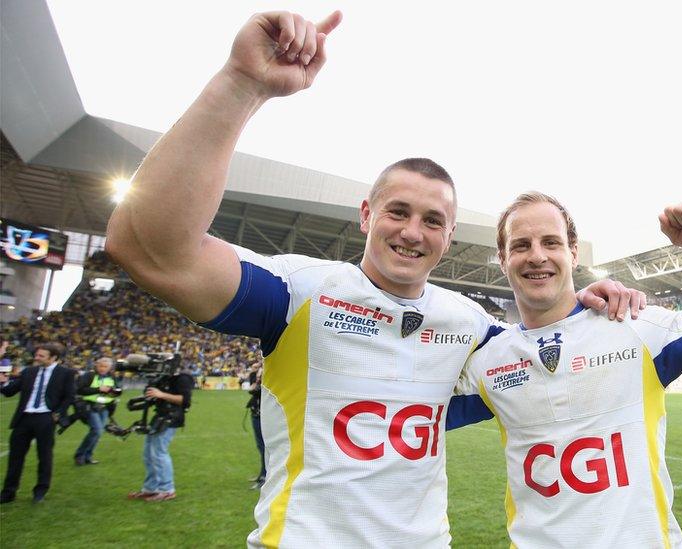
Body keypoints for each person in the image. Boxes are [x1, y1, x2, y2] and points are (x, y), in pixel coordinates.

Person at [104, 9, 642, 546]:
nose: (413, 232)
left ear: (448, 239)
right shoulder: (301, 294)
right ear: (366, 215)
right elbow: (151, 251)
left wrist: (587, 300)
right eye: (397, 212)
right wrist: (241, 83)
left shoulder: (470, 325)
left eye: (432, 221)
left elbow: (549, 352)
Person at [450, 193, 682, 548]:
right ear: (503, 259)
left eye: (550, 242)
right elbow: (402, 411)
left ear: (572, 252)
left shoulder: (637, 327)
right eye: (521, 245)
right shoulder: (489, 362)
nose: (537, 255)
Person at [0, 343, 77, 504]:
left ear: (53, 357)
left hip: (46, 418)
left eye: (41, 355)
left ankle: (40, 491)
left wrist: (58, 414)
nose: (36, 357)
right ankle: (8, 493)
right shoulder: (29, 371)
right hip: (24, 418)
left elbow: (69, 396)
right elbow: (9, 392)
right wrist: (3, 382)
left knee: (44, 456)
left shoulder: (66, 373)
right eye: (37, 354)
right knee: (15, 457)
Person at [126, 370, 194, 502]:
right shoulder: (163, 378)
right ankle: (150, 489)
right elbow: (155, 398)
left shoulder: (182, 378)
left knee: (158, 453)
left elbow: (185, 400)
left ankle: (167, 489)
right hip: (160, 416)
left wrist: (161, 394)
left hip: (171, 418)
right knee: (148, 454)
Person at [73, 357, 121, 466]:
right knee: (97, 430)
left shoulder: (112, 377)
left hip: (104, 407)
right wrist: (98, 389)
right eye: (101, 366)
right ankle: (80, 455)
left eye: (105, 367)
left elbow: (117, 389)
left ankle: (87, 456)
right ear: (96, 366)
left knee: (97, 433)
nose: (102, 368)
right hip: (89, 406)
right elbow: (79, 390)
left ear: (110, 368)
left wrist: (114, 392)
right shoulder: (89, 375)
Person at [246, 363, 266, 489]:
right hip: (256, 413)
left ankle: (265, 476)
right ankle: (262, 474)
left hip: (262, 415)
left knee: (264, 447)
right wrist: (255, 374)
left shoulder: (268, 374)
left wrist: (260, 377)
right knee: (260, 446)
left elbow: (256, 390)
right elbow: (251, 389)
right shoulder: (257, 373)